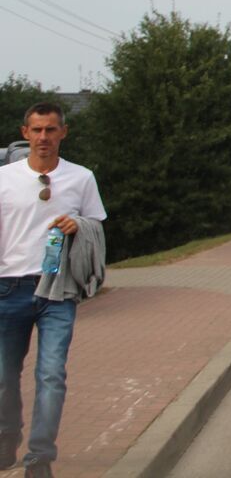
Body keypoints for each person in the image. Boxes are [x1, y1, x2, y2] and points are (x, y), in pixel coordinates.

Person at [0, 103, 108, 478]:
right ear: (25, 133)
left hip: (57, 290)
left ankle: (40, 458)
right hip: (7, 288)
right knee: (3, 375)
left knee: (50, 375)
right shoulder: (4, 178)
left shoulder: (81, 178)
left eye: (50, 130)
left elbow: (97, 227)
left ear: (64, 132)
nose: (43, 137)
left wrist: (79, 226)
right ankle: (6, 434)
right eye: (36, 130)